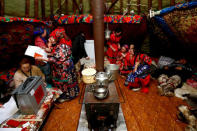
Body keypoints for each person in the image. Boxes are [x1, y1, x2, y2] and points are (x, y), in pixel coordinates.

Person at [36, 27, 79, 103]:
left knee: (66, 83)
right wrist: (47, 52)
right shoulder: (58, 44)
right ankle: (65, 95)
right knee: (63, 83)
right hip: (61, 68)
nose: (50, 39)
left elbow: (56, 59)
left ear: (57, 37)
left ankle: (68, 97)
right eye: (50, 37)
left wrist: (43, 59)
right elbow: (55, 54)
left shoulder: (62, 46)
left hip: (64, 69)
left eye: (52, 37)